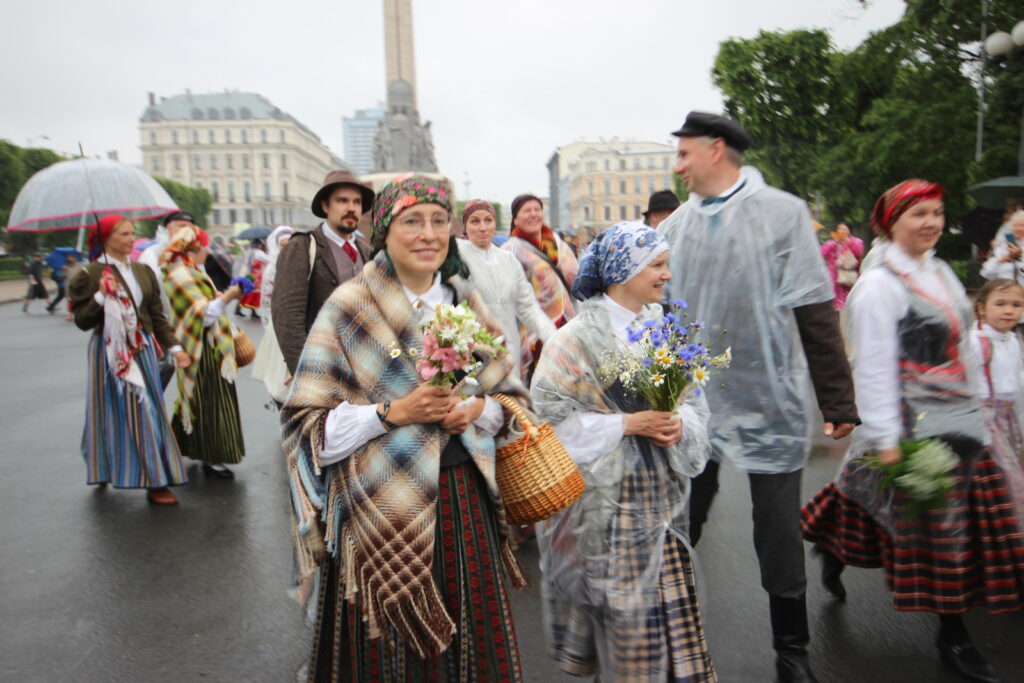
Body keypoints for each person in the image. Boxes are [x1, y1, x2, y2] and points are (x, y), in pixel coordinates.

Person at [281, 175, 527, 681]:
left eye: (439, 221)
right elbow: (309, 426)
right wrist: (393, 413)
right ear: (385, 231)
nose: (428, 233)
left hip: (461, 501)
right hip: (377, 504)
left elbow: (512, 403)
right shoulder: (349, 305)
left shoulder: (465, 303)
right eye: (412, 221)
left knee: (469, 646)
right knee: (385, 652)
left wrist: (477, 411)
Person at [658, 111, 858, 683]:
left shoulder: (783, 214)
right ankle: (666, 636)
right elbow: (664, 318)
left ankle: (791, 653)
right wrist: (659, 399)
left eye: (684, 153)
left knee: (775, 530)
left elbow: (815, 309)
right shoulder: (677, 227)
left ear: (715, 150)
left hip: (771, 399)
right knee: (680, 519)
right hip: (697, 403)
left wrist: (838, 401)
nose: (679, 166)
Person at [801, 180, 1024, 683]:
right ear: (891, 222)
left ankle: (832, 547)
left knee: (969, 520)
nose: (930, 222)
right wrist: (883, 437)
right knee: (939, 528)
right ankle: (954, 636)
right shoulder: (879, 284)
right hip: (911, 421)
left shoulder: (940, 270)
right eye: (918, 213)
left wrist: (979, 403)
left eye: (937, 212)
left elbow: (963, 342)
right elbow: (873, 365)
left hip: (961, 416)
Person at [531, 221, 716, 681]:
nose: (666, 275)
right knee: (626, 629)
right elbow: (549, 429)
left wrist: (679, 425)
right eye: (656, 265)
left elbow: (694, 404)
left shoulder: (662, 328)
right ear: (622, 270)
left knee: (669, 632)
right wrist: (629, 423)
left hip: (661, 502)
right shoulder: (573, 341)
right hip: (607, 510)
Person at [67, 214, 191, 505]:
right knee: (107, 412)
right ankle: (111, 468)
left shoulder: (142, 271)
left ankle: (156, 479)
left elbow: (157, 317)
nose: (131, 238)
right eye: (124, 234)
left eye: (131, 233)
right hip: (108, 351)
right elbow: (83, 321)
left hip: (142, 348)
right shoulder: (91, 273)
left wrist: (175, 349)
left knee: (148, 412)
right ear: (106, 238)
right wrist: (100, 295)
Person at [161, 227, 246, 479]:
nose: (208, 250)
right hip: (200, 348)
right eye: (205, 245)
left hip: (208, 346)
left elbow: (204, 307)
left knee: (197, 400)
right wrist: (228, 296)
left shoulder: (192, 271)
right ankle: (212, 455)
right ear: (192, 248)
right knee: (210, 402)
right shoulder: (179, 274)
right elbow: (202, 315)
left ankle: (184, 445)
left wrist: (219, 296)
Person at [273, 170, 375, 376]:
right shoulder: (302, 247)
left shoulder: (367, 252)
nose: (351, 208)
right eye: (342, 201)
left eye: (356, 202)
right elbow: (287, 317)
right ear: (325, 206)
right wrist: (307, 373)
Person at [456, 199, 556, 378]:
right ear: (465, 226)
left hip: (509, 350)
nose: (483, 227)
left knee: (511, 403)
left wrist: (553, 338)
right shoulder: (456, 259)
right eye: (475, 221)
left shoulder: (508, 260)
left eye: (488, 220)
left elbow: (527, 307)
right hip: (472, 353)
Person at [502, 194, 579, 381]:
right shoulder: (509, 251)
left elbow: (577, 279)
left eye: (537, 210)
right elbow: (508, 297)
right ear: (516, 218)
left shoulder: (557, 243)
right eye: (527, 211)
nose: (533, 214)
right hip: (534, 333)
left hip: (567, 325)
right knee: (544, 380)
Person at [970, 278, 1024, 524]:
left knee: (1013, 471)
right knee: (1002, 476)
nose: (1009, 310)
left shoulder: (1012, 340)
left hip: (1008, 418)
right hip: (985, 421)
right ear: (982, 308)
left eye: (1016, 305)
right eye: (1000, 304)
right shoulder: (976, 342)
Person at [251, 225, 295, 405]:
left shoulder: (303, 264)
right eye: (283, 245)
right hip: (278, 326)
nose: (287, 249)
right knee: (280, 375)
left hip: (300, 325)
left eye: (290, 244)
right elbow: (266, 302)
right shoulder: (272, 269)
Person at [820, 222, 865, 310]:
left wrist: (847, 241)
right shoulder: (831, 243)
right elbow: (822, 254)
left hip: (849, 277)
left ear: (849, 231)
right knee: (834, 305)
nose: (841, 231)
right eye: (839, 229)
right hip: (834, 280)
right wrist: (834, 243)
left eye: (844, 229)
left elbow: (859, 252)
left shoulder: (856, 241)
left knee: (850, 302)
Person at [980, 210, 1024, 283]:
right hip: (1006, 289)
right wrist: (1006, 258)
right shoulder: (1003, 246)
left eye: (1022, 225)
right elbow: (986, 273)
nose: (1017, 228)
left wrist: (1020, 256)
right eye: (1015, 225)